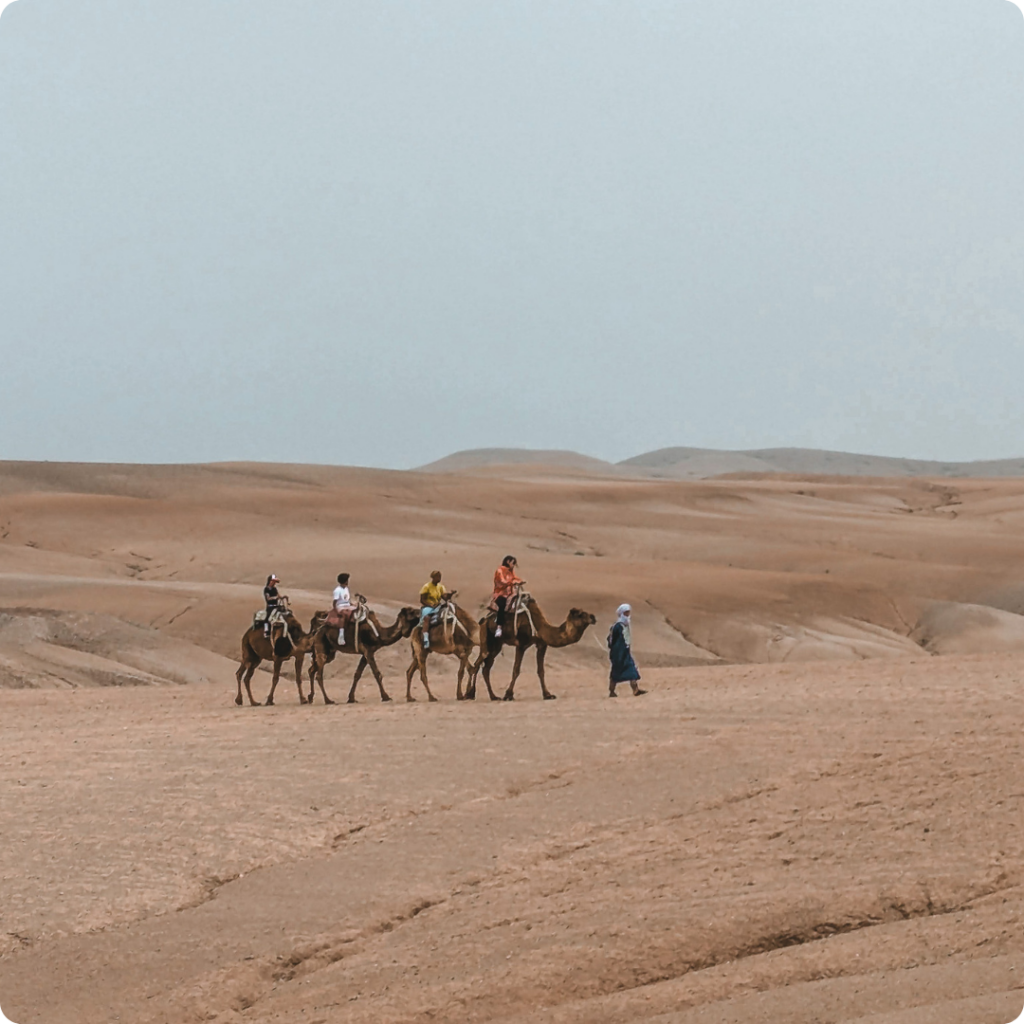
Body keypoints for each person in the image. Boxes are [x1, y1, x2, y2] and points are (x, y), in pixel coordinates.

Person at [607, 604, 646, 697]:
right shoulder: (616, 626)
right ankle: (612, 692)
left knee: (632, 670)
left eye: (628, 613)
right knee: (615, 673)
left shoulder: (626, 625)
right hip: (618, 654)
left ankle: (635, 690)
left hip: (625, 652)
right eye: (625, 613)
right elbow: (610, 639)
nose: (627, 615)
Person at [490, 555, 524, 639]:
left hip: (510, 594)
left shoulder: (510, 571)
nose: (513, 565)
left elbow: (515, 578)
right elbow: (502, 581)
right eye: (513, 563)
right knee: (502, 605)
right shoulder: (499, 571)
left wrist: (520, 581)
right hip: (500, 594)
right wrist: (512, 582)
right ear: (508, 562)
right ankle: (499, 628)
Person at [419, 570, 447, 649]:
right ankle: (426, 638)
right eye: (437, 577)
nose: (439, 578)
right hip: (428, 607)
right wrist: (431, 605)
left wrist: (450, 595)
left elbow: (444, 597)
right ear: (433, 577)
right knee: (427, 618)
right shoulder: (427, 587)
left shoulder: (440, 587)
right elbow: (422, 600)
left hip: (438, 606)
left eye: (440, 577)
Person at [332, 572, 354, 646]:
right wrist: (336, 610)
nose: (348, 582)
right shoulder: (337, 590)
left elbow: (347, 600)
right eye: (347, 580)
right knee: (344, 615)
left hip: (347, 605)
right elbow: (334, 602)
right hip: (340, 606)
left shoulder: (346, 589)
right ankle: (341, 636)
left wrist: (353, 604)